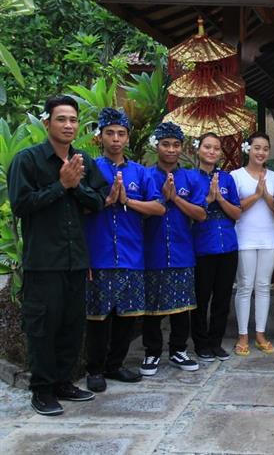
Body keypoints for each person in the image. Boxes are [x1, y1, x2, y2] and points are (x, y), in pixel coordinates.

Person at [8, 95, 108, 416]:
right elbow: (22, 205)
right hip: (44, 261)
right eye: (61, 119)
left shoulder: (83, 160)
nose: (68, 125)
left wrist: (76, 187)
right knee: (43, 327)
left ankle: (64, 382)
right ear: (47, 122)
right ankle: (42, 390)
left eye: (73, 120)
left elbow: (99, 200)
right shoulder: (28, 160)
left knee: (71, 325)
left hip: (76, 259)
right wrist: (61, 185)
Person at [84, 108, 165, 393]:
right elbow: (79, 206)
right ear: (101, 137)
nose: (116, 139)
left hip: (132, 254)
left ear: (128, 138)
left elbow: (158, 207)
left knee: (127, 316)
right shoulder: (90, 168)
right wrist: (107, 201)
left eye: (121, 134)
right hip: (100, 254)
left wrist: (127, 201)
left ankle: (115, 365)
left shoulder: (140, 173)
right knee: (98, 316)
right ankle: (94, 369)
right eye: (110, 133)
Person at [141, 122, 207, 376]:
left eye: (176, 145)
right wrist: (160, 199)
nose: (171, 149)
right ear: (156, 146)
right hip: (152, 251)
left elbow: (201, 214)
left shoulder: (191, 177)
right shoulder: (146, 176)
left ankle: (179, 350)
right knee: (152, 307)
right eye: (166, 144)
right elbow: (136, 213)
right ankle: (151, 352)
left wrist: (175, 198)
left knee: (183, 306)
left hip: (182, 250)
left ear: (182, 148)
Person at [191, 132, 242, 362]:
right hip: (202, 246)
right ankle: (201, 344)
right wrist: (208, 200)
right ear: (198, 149)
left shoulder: (227, 179)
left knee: (222, 298)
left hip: (228, 246)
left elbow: (237, 213)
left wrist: (220, 199)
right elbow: (189, 213)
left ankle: (216, 342)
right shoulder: (189, 178)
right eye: (207, 147)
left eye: (216, 148)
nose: (212, 151)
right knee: (201, 299)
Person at [230, 132, 274, 356]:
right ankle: (242, 335)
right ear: (248, 149)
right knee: (245, 285)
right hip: (244, 238)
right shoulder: (236, 176)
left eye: (265, 149)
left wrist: (265, 194)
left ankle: (260, 334)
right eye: (257, 147)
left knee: (263, 286)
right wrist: (256, 195)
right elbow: (234, 208)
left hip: (269, 237)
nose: (261, 152)